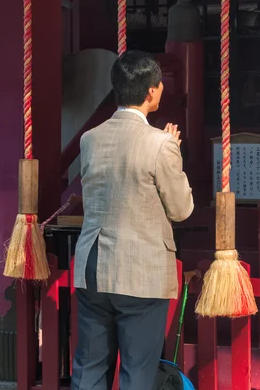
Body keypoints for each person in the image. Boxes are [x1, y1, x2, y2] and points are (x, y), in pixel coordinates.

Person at [72, 50, 194, 390]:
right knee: (137, 372)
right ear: (152, 91)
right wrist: (173, 151)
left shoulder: (90, 139)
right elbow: (181, 209)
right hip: (140, 270)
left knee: (90, 366)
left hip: (93, 266)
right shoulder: (160, 144)